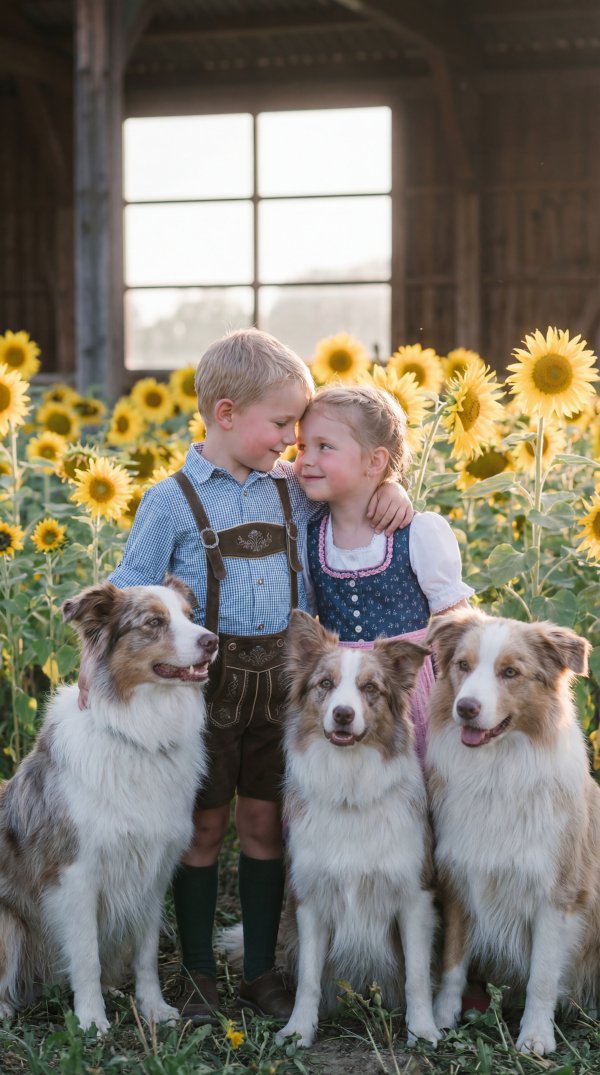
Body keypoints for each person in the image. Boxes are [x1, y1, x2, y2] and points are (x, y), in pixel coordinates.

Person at [78, 329, 413, 1025]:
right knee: (201, 830)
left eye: (300, 426)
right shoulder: (168, 500)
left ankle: (261, 969)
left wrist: (396, 495)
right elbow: (128, 588)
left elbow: (353, 487)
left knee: (264, 825)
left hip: (282, 696)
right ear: (226, 414)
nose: (294, 441)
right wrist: (92, 665)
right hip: (199, 693)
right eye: (283, 423)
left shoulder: (290, 490)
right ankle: (198, 970)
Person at [294, 383, 474, 762]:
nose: (306, 460)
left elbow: (457, 623)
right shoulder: (311, 536)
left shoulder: (418, 532)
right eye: (301, 447)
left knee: (419, 785)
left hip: (406, 689)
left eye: (324, 447)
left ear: (374, 462)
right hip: (340, 689)